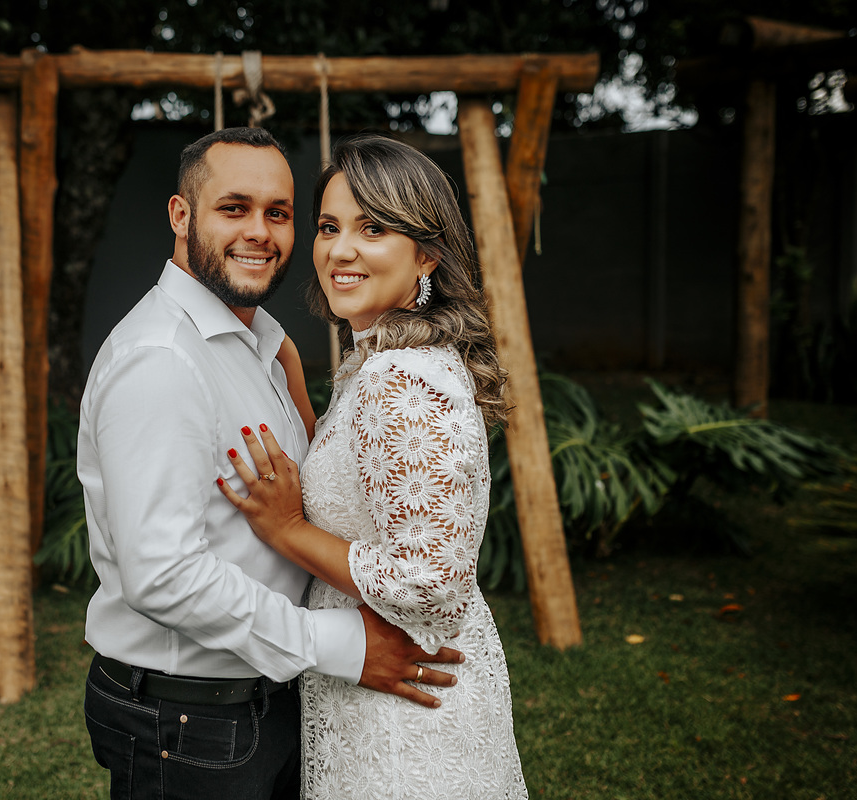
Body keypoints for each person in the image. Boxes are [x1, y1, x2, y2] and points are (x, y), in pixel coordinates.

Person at [77, 127, 463, 800]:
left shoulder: (259, 345)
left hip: (260, 701)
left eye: (278, 213)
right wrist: (342, 645)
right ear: (180, 215)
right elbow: (163, 575)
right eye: (234, 208)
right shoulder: (162, 362)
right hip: (191, 720)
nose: (260, 231)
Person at [218, 134, 530, 799]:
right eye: (329, 227)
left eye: (373, 227)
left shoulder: (401, 378)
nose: (339, 250)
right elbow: (363, 487)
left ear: (426, 253)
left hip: (407, 717)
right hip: (375, 691)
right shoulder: (376, 362)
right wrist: (301, 395)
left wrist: (286, 531)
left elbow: (431, 580)